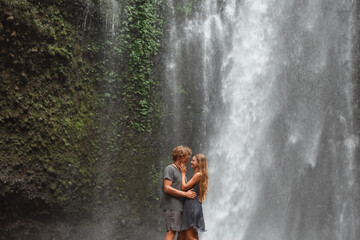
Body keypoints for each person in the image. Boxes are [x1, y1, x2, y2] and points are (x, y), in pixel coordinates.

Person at [160, 146, 197, 240]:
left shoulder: (181, 171)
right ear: (180, 157)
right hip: (173, 207)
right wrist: (185, 194)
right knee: (171, 232)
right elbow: (167, 188)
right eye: (187, 157)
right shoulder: (170, 169)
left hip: (181, 207)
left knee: (182, 234)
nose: (189, 160)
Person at [180, 153, 208, 240]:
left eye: (193, 160)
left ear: (199, 163)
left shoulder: (198, 175)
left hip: (191, 206)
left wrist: (183, 173)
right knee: (194, 235)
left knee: (189, 236)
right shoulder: (199, 174)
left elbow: (184, 187)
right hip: (195, 205)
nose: (190, 162)